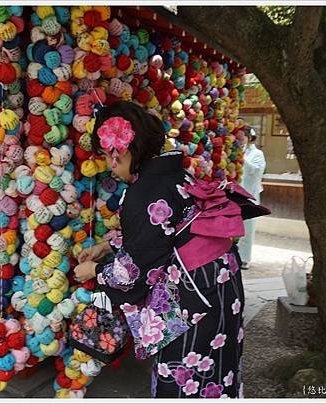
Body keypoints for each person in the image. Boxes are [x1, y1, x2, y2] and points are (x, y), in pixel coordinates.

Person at [73, 101, 245, 398]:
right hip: (219, 283)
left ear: (121, 151)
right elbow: (166, 229)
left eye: (105, 156)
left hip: (194, 298)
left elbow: (135, 270)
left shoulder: (144, 192)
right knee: (218, 372)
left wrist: (96, 271)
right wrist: (107, 245)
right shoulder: (172, 174)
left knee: (184, 378)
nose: (108, 166)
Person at [238, 125, 266, 270]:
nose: (239, 139)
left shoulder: (257, 154)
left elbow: (256, 171)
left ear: (249, 138)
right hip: (236, 193)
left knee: (248, 227)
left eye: (242, 136)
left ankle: (245, 257)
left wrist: (242, 158)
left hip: (250, 194)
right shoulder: (235, 151)